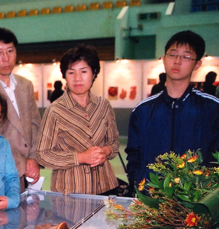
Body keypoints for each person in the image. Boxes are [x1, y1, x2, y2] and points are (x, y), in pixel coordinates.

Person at [126, 30, 219, 185]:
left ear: (197, 64)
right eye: (173, 54)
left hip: (194, 201)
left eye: (186, 57)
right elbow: (134, 154)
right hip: (150, 200)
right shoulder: (143, 111)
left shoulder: (212, 109)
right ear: (163, 59)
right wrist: (138, 181)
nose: (177, 61)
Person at [35, 45, 120, 195]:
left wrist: (105, 151)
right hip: (70, 191)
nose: (77, 78)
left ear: (94, 73)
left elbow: (113, 143)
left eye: (84, 71)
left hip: (105, 186)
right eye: (71, 72)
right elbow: (43, 154)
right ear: (65, 76)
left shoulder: (103, 106)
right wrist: (81, 157)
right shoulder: (55, 111)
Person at [0, 27, 42, 191]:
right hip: (1, 173)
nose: (6, 58)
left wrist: (34, 158)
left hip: (31, 172)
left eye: (10, 51)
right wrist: (23, 163)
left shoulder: (25, 85)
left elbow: (36, 124)